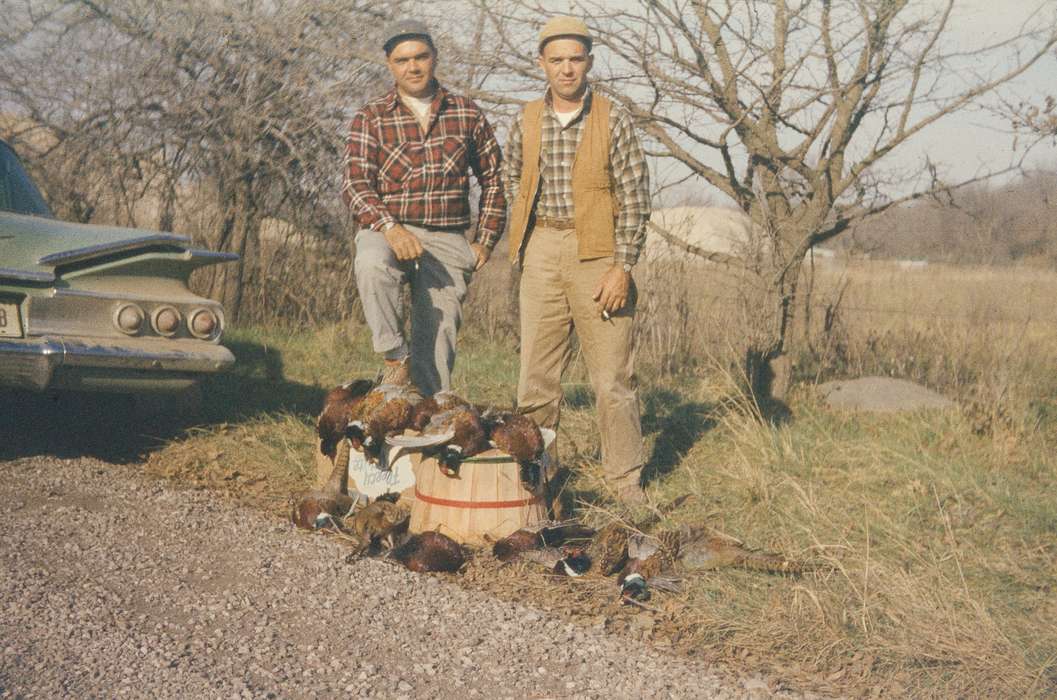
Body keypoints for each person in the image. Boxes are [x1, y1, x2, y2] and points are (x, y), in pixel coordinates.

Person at [504, 16, 652, 505]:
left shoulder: (613, 117)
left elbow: (634, 197)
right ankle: (535, 478)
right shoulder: (525, 118)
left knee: (612, 378)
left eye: (576, 58)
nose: (567, 69)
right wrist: (530, 241)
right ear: (542, 63)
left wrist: (622, 265)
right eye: (557, 59)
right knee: (536, 376)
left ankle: (624, 483)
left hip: (599, 253)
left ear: (589, 62)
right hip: (542, 247)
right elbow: (512, 180)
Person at [342, 20, 506, 394]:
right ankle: (393, 357)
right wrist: (390, 227)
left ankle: (426, 430)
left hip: (447, 234)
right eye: (402, 60)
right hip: (388, 228)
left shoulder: (465, 112)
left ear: (434, 59)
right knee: (371, 263)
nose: (412, 67)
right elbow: (355, 183)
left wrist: (484, 240)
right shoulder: (372, 115)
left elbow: (495, 178)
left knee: (437, 350)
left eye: (420, 57)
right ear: (389, 65)